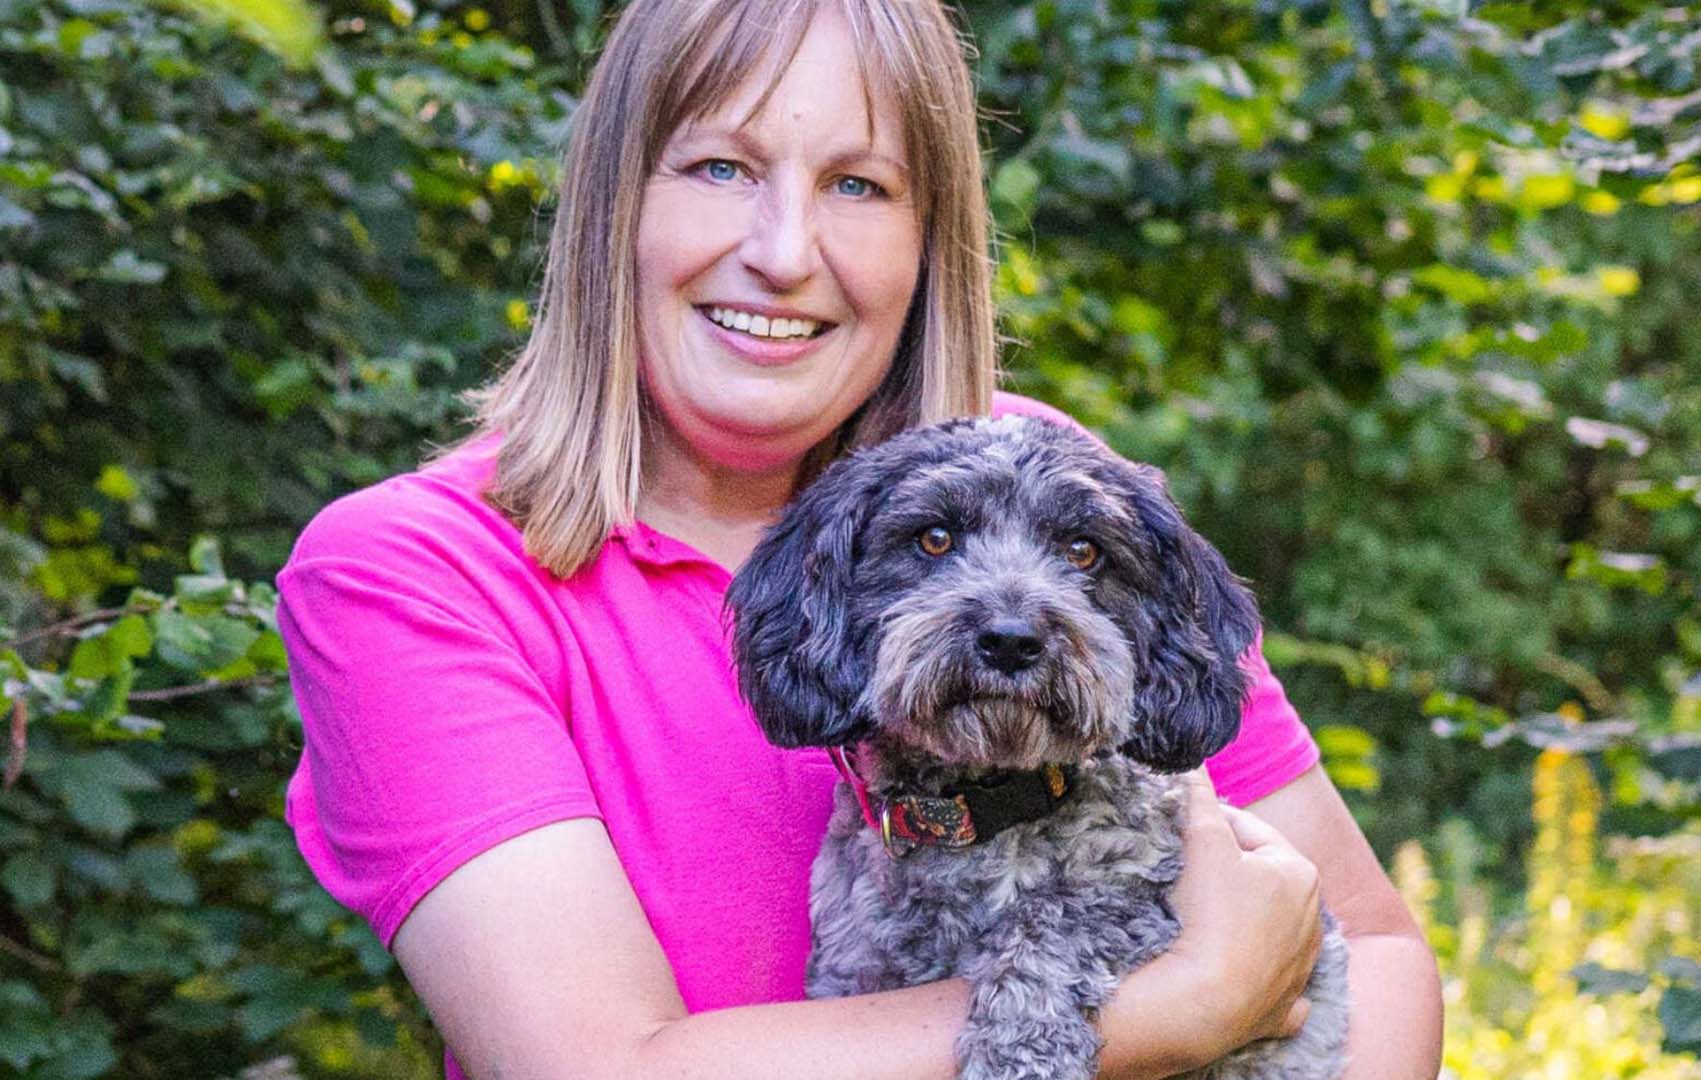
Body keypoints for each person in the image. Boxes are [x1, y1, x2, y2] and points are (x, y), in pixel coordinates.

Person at [277, 1, 1443, 1077]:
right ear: (614, 204)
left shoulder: (1050, 480)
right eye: (721, 166)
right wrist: (1178, 1007)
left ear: (929, 236)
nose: (784, 252)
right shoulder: (417, 574)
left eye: (859, 185)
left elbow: (1378, 955)